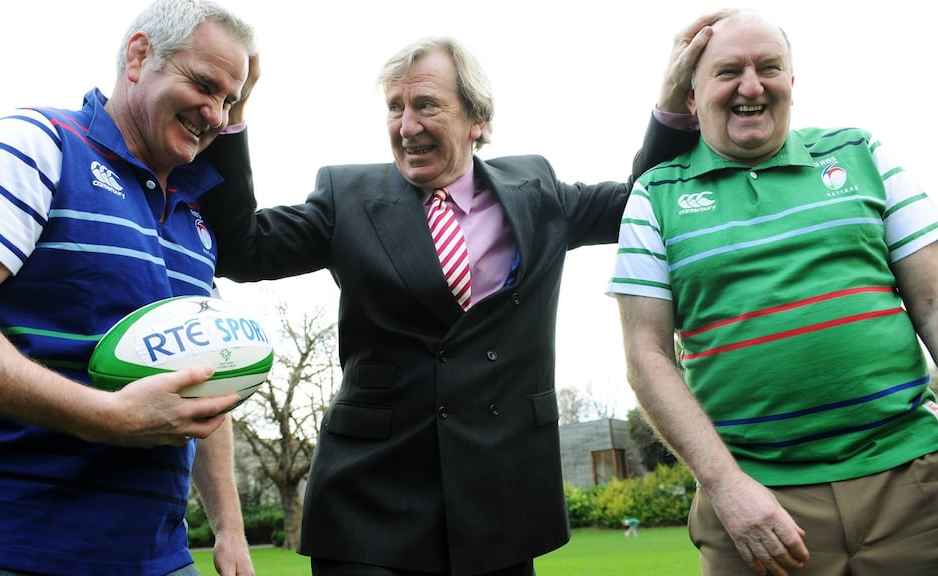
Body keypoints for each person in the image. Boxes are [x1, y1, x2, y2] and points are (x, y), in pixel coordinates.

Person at [201, 14, 725, 576]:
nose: (406, 126)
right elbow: (242, 250)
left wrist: (674, 103)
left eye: (426, 105)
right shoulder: (346, 197)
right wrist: (230, 120)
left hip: (499, 503)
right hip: (369, 505)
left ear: (477, 119)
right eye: (395, 108)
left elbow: (639, 203)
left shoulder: (537, 190)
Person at [0, 1, 262, 575]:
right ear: (139, 56)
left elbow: (205, 383)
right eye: (204, 84)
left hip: (155, 557)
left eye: (230, 99)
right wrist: (103, 415)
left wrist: (229, 529)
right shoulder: (36, 143)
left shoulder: (194, 217)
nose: (217, 115)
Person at [608, 10, 938, 576]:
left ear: (793, 81)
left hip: (912, 483)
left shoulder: (861, 152)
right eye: (728, 71)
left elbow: (932, 304)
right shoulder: (654, 195)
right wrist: (726, 486)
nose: (752, 86)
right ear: (692, 98)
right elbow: (648, 356)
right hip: (755, 505)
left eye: (769, 68)